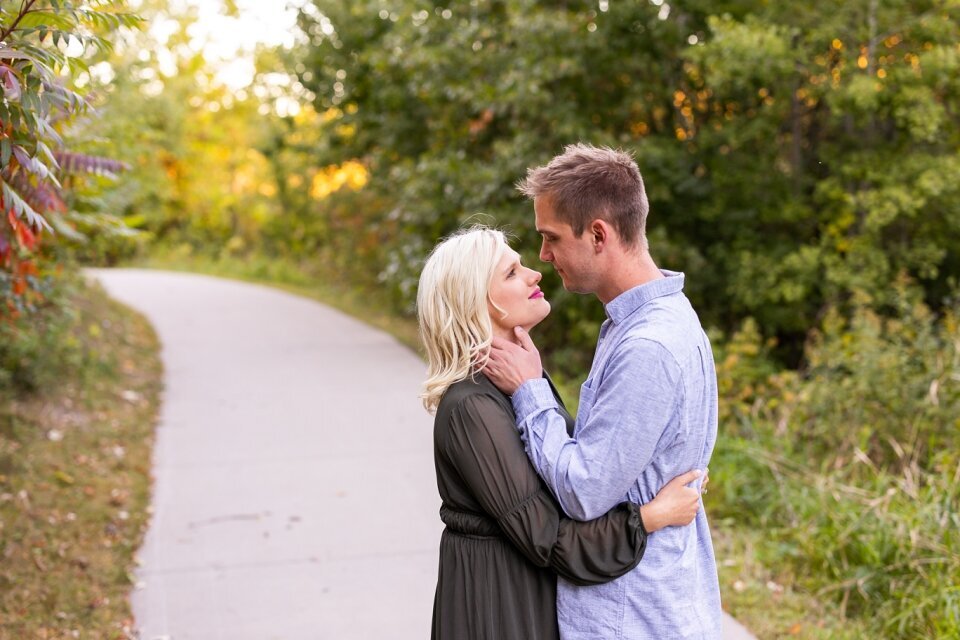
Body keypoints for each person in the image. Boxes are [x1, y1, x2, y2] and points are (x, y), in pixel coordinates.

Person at [417, 226, 708, 640]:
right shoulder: (471, 407)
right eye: (512, 273)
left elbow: (576, 468)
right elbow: (551, 538)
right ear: (477, 302)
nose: (535, 273)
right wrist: (651, 517)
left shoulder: (517, 382)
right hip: (499, 610)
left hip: (524, 596)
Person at [483, 144, 722, 639]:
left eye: (550, 238)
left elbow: (584, 491)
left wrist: (530, 390)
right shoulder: (661, 319)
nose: (544, 256)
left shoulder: (648, 346)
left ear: (598, 234)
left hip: (632, 614)